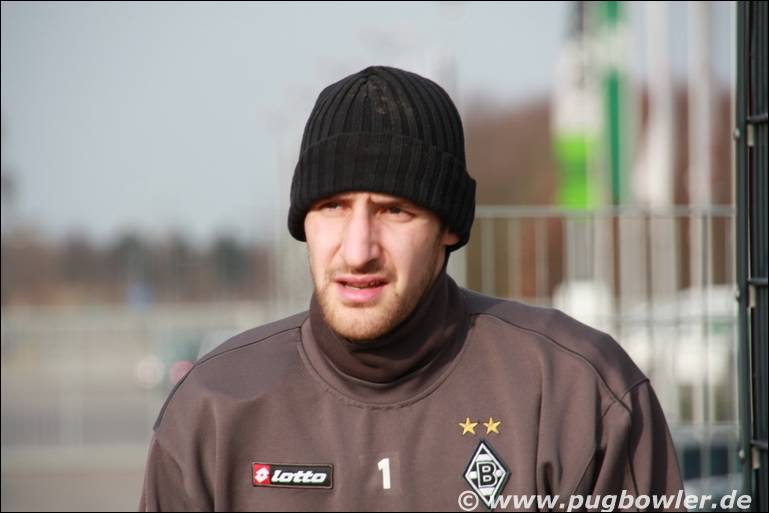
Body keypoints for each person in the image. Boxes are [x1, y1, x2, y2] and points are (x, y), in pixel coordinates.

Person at [139, 65, 684, 511]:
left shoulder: (576, 392)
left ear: (448, 227)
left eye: (394, 210)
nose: (358, 250)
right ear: (303, 221)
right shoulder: (214, 408)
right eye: (332, 207)